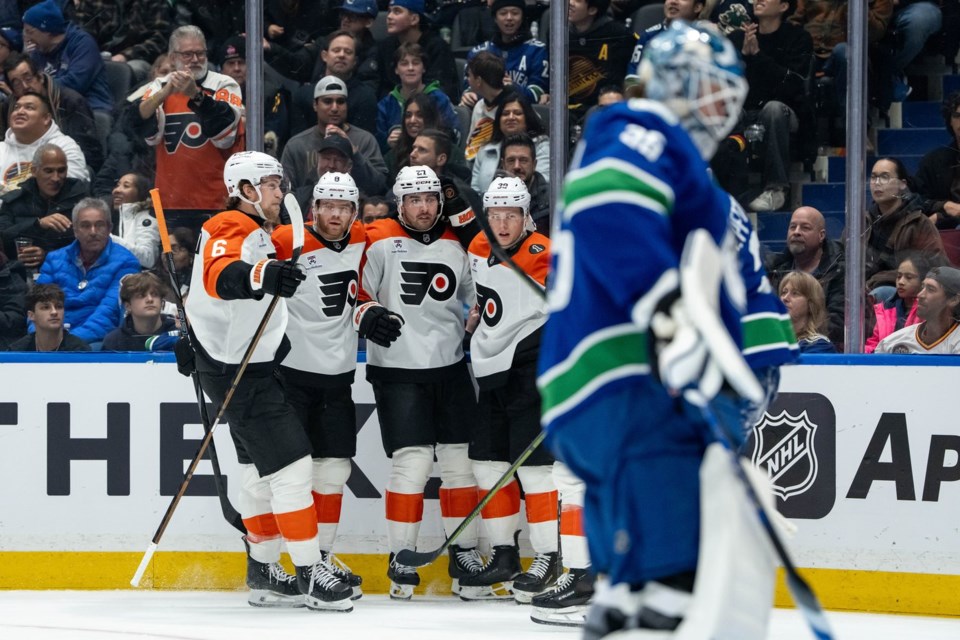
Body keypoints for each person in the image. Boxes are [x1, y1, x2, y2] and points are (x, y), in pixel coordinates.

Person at [537, 22, 780, 637]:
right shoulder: (637, 131)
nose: (720, 109)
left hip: (607, 390)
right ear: (674, 83)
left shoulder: (694, 183)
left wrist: (744, 376)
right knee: (675, 581)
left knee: (635, 581)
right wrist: (671, 314)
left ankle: (624, 598)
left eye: (728, 95)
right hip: (630, 383)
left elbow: (736, 296)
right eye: (710, 89)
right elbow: (608, 204)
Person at [184, 150, 354, 611]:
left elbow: (208, 293)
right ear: (246, 190)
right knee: (293, 468)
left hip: (245, 365)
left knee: (259, 472)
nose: (280, 192)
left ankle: (262, 570)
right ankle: (310, 572)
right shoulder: (230, 225)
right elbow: (220, 277)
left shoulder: (255, 230)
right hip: (236, 371)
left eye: (280, 184)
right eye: (272, 185)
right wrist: (263, 274)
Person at [360, 164, 483, 600]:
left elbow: (478, 294)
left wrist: (480, 317)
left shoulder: (456, 242)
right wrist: (367, 315)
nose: (424, 208)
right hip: (397, 370)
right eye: (415, 200)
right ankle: (401, 556)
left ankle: (463, 554)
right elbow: (358, 293)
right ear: (400, 203)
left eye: (430, 198)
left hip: (450, 367)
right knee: (411, 464)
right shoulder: (376, 238)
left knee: (459, 464)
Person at [272, 172, 385, 601]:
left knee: (334, 470)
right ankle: (271, 563)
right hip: (291, 375)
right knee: (289, 475)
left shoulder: (362, 240)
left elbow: (360, 292)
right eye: (328, 206)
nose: (335, 215)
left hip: (338, 375)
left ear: (354, 212)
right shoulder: (287, 239)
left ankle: (319, 557)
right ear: (314, 208)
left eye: (344, 207)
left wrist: (368, 311)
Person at [462, 176, 558, 602]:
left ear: (526, 217)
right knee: (487, 463)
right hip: (491, 367)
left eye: (511, 215)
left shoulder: (544, 253)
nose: (502, 224)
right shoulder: (477, 246)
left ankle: (549, 556)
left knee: (536, 468)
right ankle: (504, 555)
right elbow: (488, 298)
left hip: (531, 366)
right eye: (495, 215)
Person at [131, 25, 243, 232]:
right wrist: (165, 92)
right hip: (170, 200)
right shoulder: (159, 86)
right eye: (188, 54)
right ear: (173, 57)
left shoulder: (224, 84)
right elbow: (141, 125)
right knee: (172, 254)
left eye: (200, 53)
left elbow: (225, 132)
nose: (195, 59)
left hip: (217, 201)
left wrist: (196, 95)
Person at [727, 0, 813, 213]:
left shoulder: (797, 38)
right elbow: (725, 84)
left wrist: (758, 56)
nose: (759, 0)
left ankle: (776, 189)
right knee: (728, 112)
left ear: (784, 6)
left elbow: (792, 87)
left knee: (773, 109)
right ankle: (727, 191)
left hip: (785, 113)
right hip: (745, 110)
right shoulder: (738, 38)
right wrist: (742, 57)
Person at [34, 198, 140, 347]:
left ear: (110, 228)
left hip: (96, 339)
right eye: (85, 226)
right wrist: (38, 336)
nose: (93, 232)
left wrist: (66, 342)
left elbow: (109, 313)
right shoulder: (54, 259)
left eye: (99, 225)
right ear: (75, 230)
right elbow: (36, 305)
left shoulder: (126, 262)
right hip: (51, 336)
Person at [282, 75, 387, 199]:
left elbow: (379, 187)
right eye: (327, 101)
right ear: (315, 105)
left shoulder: (365, 140)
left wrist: (353, 151)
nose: (335, 108)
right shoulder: (296, 145)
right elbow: (286, 193)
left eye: (340, 102)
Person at [2, 53, 103, 172]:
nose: (25, 86)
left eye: (28, 79)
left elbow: (90, 153)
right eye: (17, 83)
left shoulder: (71, 102)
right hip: (15, 167)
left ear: (40, 76)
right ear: (12, 90)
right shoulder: (10, 107)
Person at [765, 206, 844, 348]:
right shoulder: (774, 268)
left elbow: (838, 323)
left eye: (805, 228)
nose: (796, 232)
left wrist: (804, 338)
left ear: (821, 235)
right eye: (792, 227)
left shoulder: (839, 270)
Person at [0, 143, 90, 267]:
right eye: (48, 171)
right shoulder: (14, 201)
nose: (56, 178)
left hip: (68, 269)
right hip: (19, 272)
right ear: (34, 171)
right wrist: (37, 224)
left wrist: (47, 256)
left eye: (61, 171)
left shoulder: (81, 199)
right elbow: (3, 238)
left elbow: (91, 244)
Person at [865, 157, 945, 293]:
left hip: (901, 295)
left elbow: (932, 268)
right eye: (873, 177)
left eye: (885, 177)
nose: (877, 183)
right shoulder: (861, 222)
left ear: (902, 184)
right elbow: (842, 263)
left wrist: (879, 279)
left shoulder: (919, 223)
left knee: (883, 291)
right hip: (861, 291)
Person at [22, 0, 114, 114]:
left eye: (30, 32)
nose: (27, 38)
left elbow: (76, 83)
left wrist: (39, 87)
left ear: (47, 31)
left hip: (91, 109)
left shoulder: (82, 44)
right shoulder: (38, 49)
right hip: (54, 109)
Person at [461, 0, 549, 106]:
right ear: (495, 18)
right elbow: (469, 88)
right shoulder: (477, 52)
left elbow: (538, 93)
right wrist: (469, 95)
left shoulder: (537, 50)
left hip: (522, 112)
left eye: (515, 13)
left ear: (522, 17)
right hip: (485, 113)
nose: (509, 18)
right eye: (503, 13)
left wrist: (513, 88)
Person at [376, 43, 460, 151]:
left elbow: (454, 135)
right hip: (398, 157)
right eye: (404, 64)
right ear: (396, 69)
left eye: (416, 63)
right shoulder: (386, 104)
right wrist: (387, 143)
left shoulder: (438, 99)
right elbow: (377, 143)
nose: (410, 68)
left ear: (423, 68)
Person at [0, 92, 89, 191]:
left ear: (46, 118)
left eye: (29, 108)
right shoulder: (1, 149)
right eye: (16, 108)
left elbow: (70, 189)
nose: (20, 112)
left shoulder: (64, 146)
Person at [375, 0, 461, 102]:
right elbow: (379, 84)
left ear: (414, 19)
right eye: (389, 11)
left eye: (397, 12)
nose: (389, 16)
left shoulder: (437, 47)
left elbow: (441, 88)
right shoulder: (385, 46)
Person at [865, 252, 945, 353]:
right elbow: (873, 344)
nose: (901, 282)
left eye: (909, 277)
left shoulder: (928, 310)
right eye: (899, 276)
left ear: (922, 281)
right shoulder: (885, 309)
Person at [566, 0, 634, 117]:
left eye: (578, 0)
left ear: (592, 10)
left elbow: (618, 80)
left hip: (602, 106)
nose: (570, 3)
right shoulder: (557, 32)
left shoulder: (619, 35)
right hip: (566, 107)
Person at [471, 94, 549, 194]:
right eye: (505, 114)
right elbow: (475, 189)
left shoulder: (541, 145)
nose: (511, 117)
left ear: (527, 118)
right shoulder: (486, 148)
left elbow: (544, 184)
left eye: (517, 113)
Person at [876, 266, 960, 354]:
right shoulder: (891, 343)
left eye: (931, 289)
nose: (920, 295)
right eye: (922, 287)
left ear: (954, 300)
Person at [914, 91, 960, 228]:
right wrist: (943, 205)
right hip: (944, 235)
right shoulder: (933, 161)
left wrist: (942, 216)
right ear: (950, 121)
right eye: (957, 116)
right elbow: (915, 199)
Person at [102, 272, 178, 351]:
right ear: (128, 306)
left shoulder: (179, 333)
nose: (150, 299)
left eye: (154, 294)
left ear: (162, 302)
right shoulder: (113, 341)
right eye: (141, 295)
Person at [461, 52, 516, 161]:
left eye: (469, 75)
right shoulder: (479, 106)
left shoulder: (516, 108)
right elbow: (471, 149)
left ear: (478, 81)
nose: (468, 79)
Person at [8, 283, 90, 351]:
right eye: (46, 307)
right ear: (31, 315)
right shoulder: (18, 351)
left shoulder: (79, 350)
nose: (54, 312)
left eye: (59, 307)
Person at [499, 133, 550, 233]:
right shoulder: (489, 200)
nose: (517, 166)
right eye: (511, 160)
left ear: (534, 164)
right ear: (503, 164)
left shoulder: (551, 200)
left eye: (523, 160)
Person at [110, 172, 160, 269]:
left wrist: (110, 239)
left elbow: (148, 258)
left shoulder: (146, 219)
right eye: (117, 185)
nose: (116, 190)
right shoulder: (112, 216)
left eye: (126, 186)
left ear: (140, 192)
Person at [779, 270, 835, 353]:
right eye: (784, 292)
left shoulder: (818, 345)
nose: (785, 298)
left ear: (810, 304)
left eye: (795, 293)